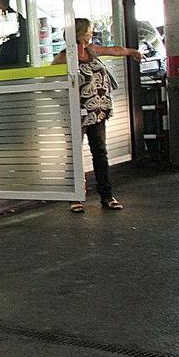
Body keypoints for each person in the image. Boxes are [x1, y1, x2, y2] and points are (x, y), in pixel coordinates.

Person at [52, 17, 143, 213]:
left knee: (100, 152)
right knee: (75, 153)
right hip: (77, 112)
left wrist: (132, 52)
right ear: (78, 32)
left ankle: (107, 195)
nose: (91, 33)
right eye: (88, 31)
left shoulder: (92, 50)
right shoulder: (64, 57)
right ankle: (75, 197)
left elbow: (115, 50)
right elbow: (50, 81)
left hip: (97, 111)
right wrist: (64, 101)